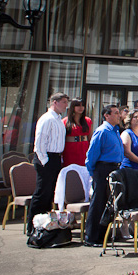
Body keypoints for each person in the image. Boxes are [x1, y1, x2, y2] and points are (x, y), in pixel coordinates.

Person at [27, 92, 69, 235]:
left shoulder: (58, 120)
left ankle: (44, 223)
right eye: (63, 102)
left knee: (49, 192)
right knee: (41, 192)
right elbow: (40, 142)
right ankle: (32, 225)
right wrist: (44, 161)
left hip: (56, 157)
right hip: (46, 158)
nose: (66, 105)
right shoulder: (46, 119)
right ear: (55, 102)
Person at [83, 104, 124, 246]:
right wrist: (94, 173)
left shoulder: (115, 131)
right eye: (116, 113)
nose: (119, 115)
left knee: (108, 204)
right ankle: (91, 237)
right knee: (98, 203)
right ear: (106, 115)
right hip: (102, 169)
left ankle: (103, 234)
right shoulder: (102, 131)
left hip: (114, 168)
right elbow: (91, 155)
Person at [62, 99, 92, 168]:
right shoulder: (65, 121)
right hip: (70, 149)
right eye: (78, 105)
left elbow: (90, 137)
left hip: (84, 148)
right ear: (73, 107)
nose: (81, 108)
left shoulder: (88, 120)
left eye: (82, 105)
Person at [120, 109, 138, 180]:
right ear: (130, 119)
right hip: (131, 169)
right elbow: (127, 153)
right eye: (135, 117)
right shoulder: (127, 133)